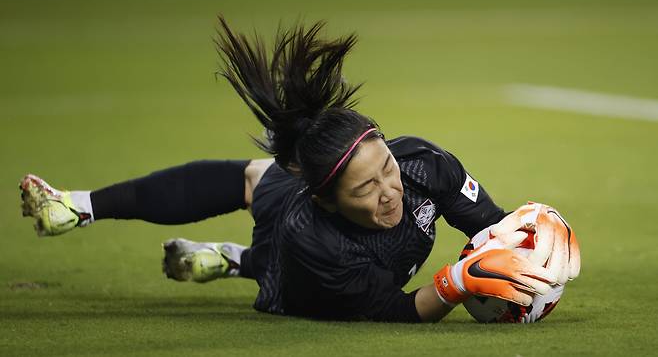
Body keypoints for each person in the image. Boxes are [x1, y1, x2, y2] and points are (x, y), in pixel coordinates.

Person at [19, 17, 579, 323]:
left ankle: (106, 216)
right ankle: (226, 257)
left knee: (258, 174)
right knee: (274, 246)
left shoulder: (421, 165)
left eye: (386, 169)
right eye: (367, 188)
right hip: (302, 276)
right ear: (327, 198)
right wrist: (456, 284)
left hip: (309, 196)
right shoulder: (311, 234)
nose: (391, 193)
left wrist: (528, 241)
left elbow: (490, 219)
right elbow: (396, 308)